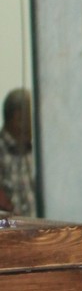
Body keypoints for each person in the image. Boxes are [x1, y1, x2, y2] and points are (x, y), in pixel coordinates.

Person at [0, 88, 35, 216]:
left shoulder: (32, 150)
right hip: (11, 228)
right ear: (18, 117)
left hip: (40, 227)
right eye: (31, 116)